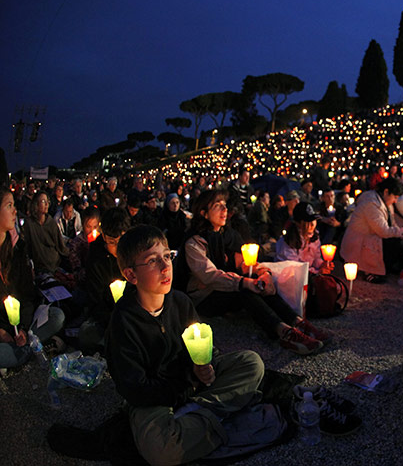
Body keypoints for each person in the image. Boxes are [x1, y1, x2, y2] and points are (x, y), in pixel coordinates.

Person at [105, 225, 265, 465]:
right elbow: (135, 388)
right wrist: (185, 389)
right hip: (156, 399)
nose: (165, 266)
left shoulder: (180, 302)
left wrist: (203, 366)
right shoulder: (123, 323)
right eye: (151, 261)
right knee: (161, 449)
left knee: (252, 363)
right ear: (131, 275)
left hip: (189, 385)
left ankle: (197, 417)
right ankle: (218, 415)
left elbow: (201, 349)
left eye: (167, 256)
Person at [177, 190, 329, 355]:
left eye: (224, 205)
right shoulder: (194, 242)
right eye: (217, 206)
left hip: (225, 286)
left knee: (257, 281)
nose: (224, 210)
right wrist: (244, 282)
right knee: (244, 289)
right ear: (204, 213)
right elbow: (210, 276)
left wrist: (264, 274)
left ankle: (298, 322)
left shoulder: (227, 234)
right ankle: (283, 332)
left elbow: (244, 263)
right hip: (205, 296)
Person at [0, 189, 65, 368]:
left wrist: (21, 328)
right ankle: (32, 349)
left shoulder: (17, 249)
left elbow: (27, 295)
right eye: (9, 205)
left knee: (56, 316)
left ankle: (22, 351)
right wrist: (2, 331)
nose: (15, 211)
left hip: (20, 326)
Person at [340, 178, 403, 284]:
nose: (395, 201)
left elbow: (392, 223)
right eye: (395, 197)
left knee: (398, 243)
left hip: (372, 238)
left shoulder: (383, 202)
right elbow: (383, 231)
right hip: (360, 243)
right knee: (392, 245)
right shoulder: (371, 204)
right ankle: (369, 272)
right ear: (386, 192)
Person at [79, 207, 131, 352]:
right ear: (104, 237)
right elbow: (96, 299)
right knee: (86, 333)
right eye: (112, 243)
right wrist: (114, 320)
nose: (117, 248)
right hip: (108, 314)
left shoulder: (134, 250)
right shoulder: (96, 258)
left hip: (134, 311)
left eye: (120, 242)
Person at [275, 202, 334, 275]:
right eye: (307, 222)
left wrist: (322, 265)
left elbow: (316, 258)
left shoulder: (314, 237)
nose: (312, 224)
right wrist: (317, 272)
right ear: (298, 223)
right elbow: (295, 269)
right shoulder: (288, 242)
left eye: (314, 220)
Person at [22, 190, 69, 275]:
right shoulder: (29, 224)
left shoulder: (51, 223)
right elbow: (28, 246)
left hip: (54, 265)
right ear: (36, 204)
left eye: (47, 201)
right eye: (43, 201)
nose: (46, 204)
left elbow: (60, 245)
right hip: (38, 267)